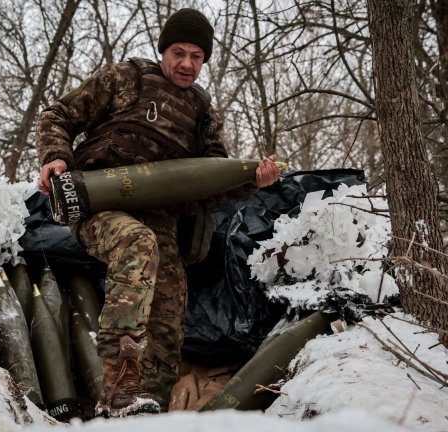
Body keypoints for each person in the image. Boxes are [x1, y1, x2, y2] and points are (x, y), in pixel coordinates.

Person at [35, 8, 280, 417]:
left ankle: (150, 414)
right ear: (163, 50)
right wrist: (56, 158)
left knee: (167, 323)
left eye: (196, 57)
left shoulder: (202, 113)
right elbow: (56, 116)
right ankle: (118, 389)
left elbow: (212, 183)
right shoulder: (125, 79)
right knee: (137, 242)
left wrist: (254, 179)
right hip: (100, 207)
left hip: (164, 227)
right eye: (179, 53)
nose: (187, 64)